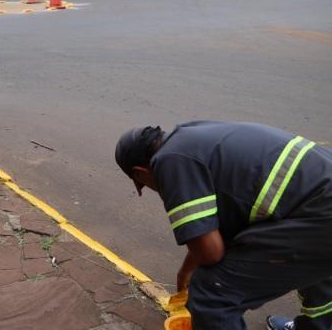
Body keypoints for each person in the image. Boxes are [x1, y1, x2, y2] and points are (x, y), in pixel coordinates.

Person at [114, 121, 332, 330]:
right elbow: (215, 229)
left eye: (144, 185)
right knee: (317, 264)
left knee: (211, 294)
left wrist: (193, 273)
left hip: (320, 212)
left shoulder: (169, 161)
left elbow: (211, 254)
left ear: (141, 173)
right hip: (318, 197)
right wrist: (186, 271)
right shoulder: (192, 135)